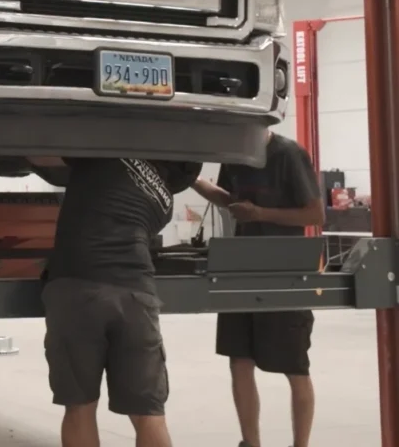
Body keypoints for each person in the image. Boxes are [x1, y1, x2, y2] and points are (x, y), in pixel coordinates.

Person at [32, 156, 202, 447]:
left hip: (79, 286)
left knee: (80, 408)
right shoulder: (165, 204)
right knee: (149, 414)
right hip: (137, 296)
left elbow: (42, 155)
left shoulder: (107, 153)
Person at [193, 129, 325, 447]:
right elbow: (232, 201)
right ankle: (250, 443)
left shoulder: (289, 155)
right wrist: (193, 181)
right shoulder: (235, 155)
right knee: (239, 360)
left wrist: (261, 213)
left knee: (295, 365)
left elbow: (315, 213)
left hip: (286, 273)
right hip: (241, 267)